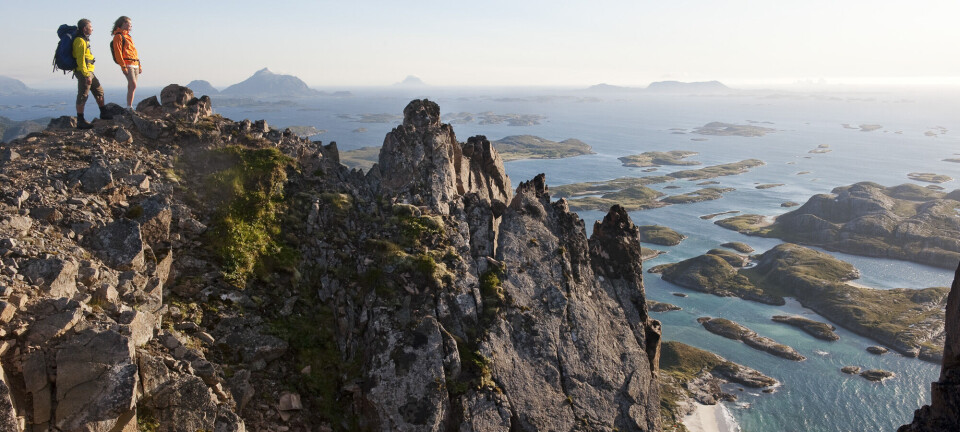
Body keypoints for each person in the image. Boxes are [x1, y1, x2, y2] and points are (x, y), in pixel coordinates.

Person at [72, 18, 112, 129]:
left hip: (89, 71)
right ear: (85, 28)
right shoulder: (80, 41)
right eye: (90, 27)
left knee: (99, 91)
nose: (92, 29)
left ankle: (103, 113)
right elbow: (80, 60)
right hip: (84, 72)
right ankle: (80, 120)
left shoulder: (85, 40)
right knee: (83, 95)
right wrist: (86, 75)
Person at [111, 16, 141, 112]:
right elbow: (118, 52)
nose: (130, 26)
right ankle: (129, 107)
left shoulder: (129, 37)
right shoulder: (118, 36)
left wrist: (139, 64)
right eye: (128, 24)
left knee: (132, 86)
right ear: (122, 24)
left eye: (130, 24)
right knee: (133, 84)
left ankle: (129, 106)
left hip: (134, 63)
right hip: (127, 64)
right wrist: (123, 66)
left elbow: (134, 51)